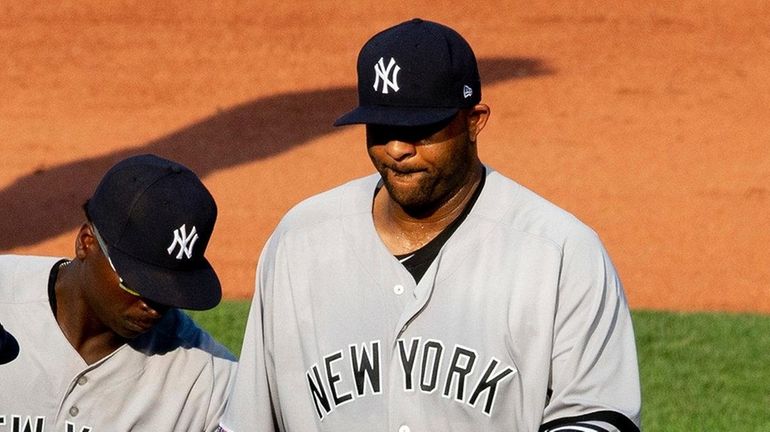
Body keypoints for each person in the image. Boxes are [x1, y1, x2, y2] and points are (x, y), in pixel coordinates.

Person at [220, 18, 641, 432]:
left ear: (475, 121)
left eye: (420, 128)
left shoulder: (559, 253)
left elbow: (596, 418)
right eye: (382, 128)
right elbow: (250, 418)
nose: (399, 149)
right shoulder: (300, 242)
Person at [0, 154, 237, 431]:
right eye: (139, 283)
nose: (155, 307)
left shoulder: (208, 381)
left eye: (170, 292)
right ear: (86, 243)